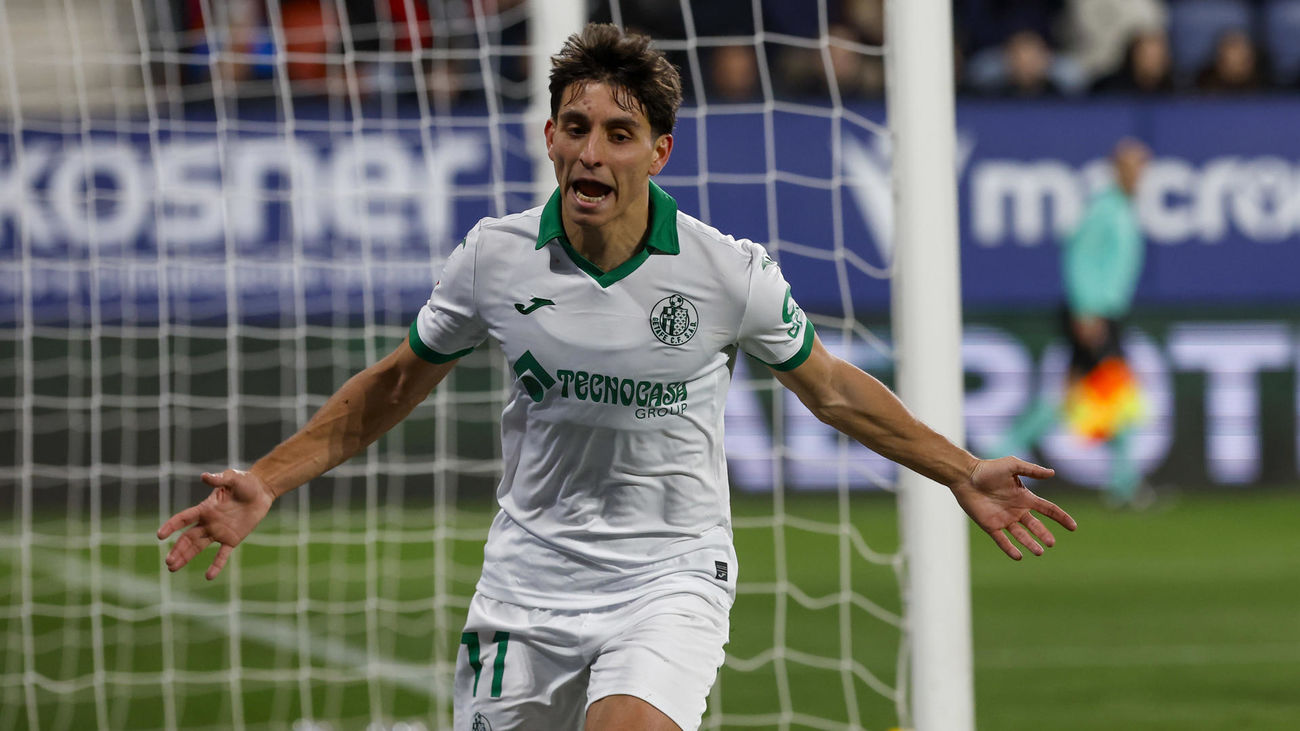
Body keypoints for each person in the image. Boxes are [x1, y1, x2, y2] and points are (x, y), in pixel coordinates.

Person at [157, 23, 1076, 731]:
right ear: (549, 135)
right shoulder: (494, 257)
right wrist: (265, 480)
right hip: (528, 580)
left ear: (658, 150)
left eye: (619, 133)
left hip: (669, 574)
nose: (593, 152)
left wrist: (960, 468)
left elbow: (832, 388)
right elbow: (395, 383)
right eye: (577, 128)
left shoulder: (728, 272)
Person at [995, 138, 1151, 508]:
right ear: (1117, 169)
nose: (1139, 174)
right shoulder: (1104, 209)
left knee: (1077, 396)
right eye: (1132, 166)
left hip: (1104, 313)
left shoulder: (1122, 209)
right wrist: (1085, 311)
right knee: (1118, 392)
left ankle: (998, 447)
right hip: (1095, 314)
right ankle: (1124, 484)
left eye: (1143, 167)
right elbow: (1078, 258)